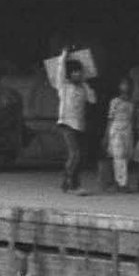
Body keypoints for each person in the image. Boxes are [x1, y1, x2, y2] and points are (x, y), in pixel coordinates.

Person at [49, 47, 93, 193]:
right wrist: (63, 57)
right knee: (75, 154)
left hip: (79, 125)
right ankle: (72, 183)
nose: (77, 74)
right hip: (66, 123)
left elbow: (93, 99)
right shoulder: (64, 87)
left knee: (80, 156)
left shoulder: (83, 89)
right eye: (74, 72)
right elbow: (60, 73)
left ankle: (68, 181)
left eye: (79, 72)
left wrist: (86, 83)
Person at [105, 77, 137, 192]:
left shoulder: (132, 102)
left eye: (127, 84)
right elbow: (110, 118)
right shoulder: (115, 101)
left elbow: (133, 118)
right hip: (117, 128)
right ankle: (121, 182)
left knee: (127, 155)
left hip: (128, 129)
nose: (126, 87)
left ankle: (121, 181)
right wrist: (107, 135)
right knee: (119, 156)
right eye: (123, 84)